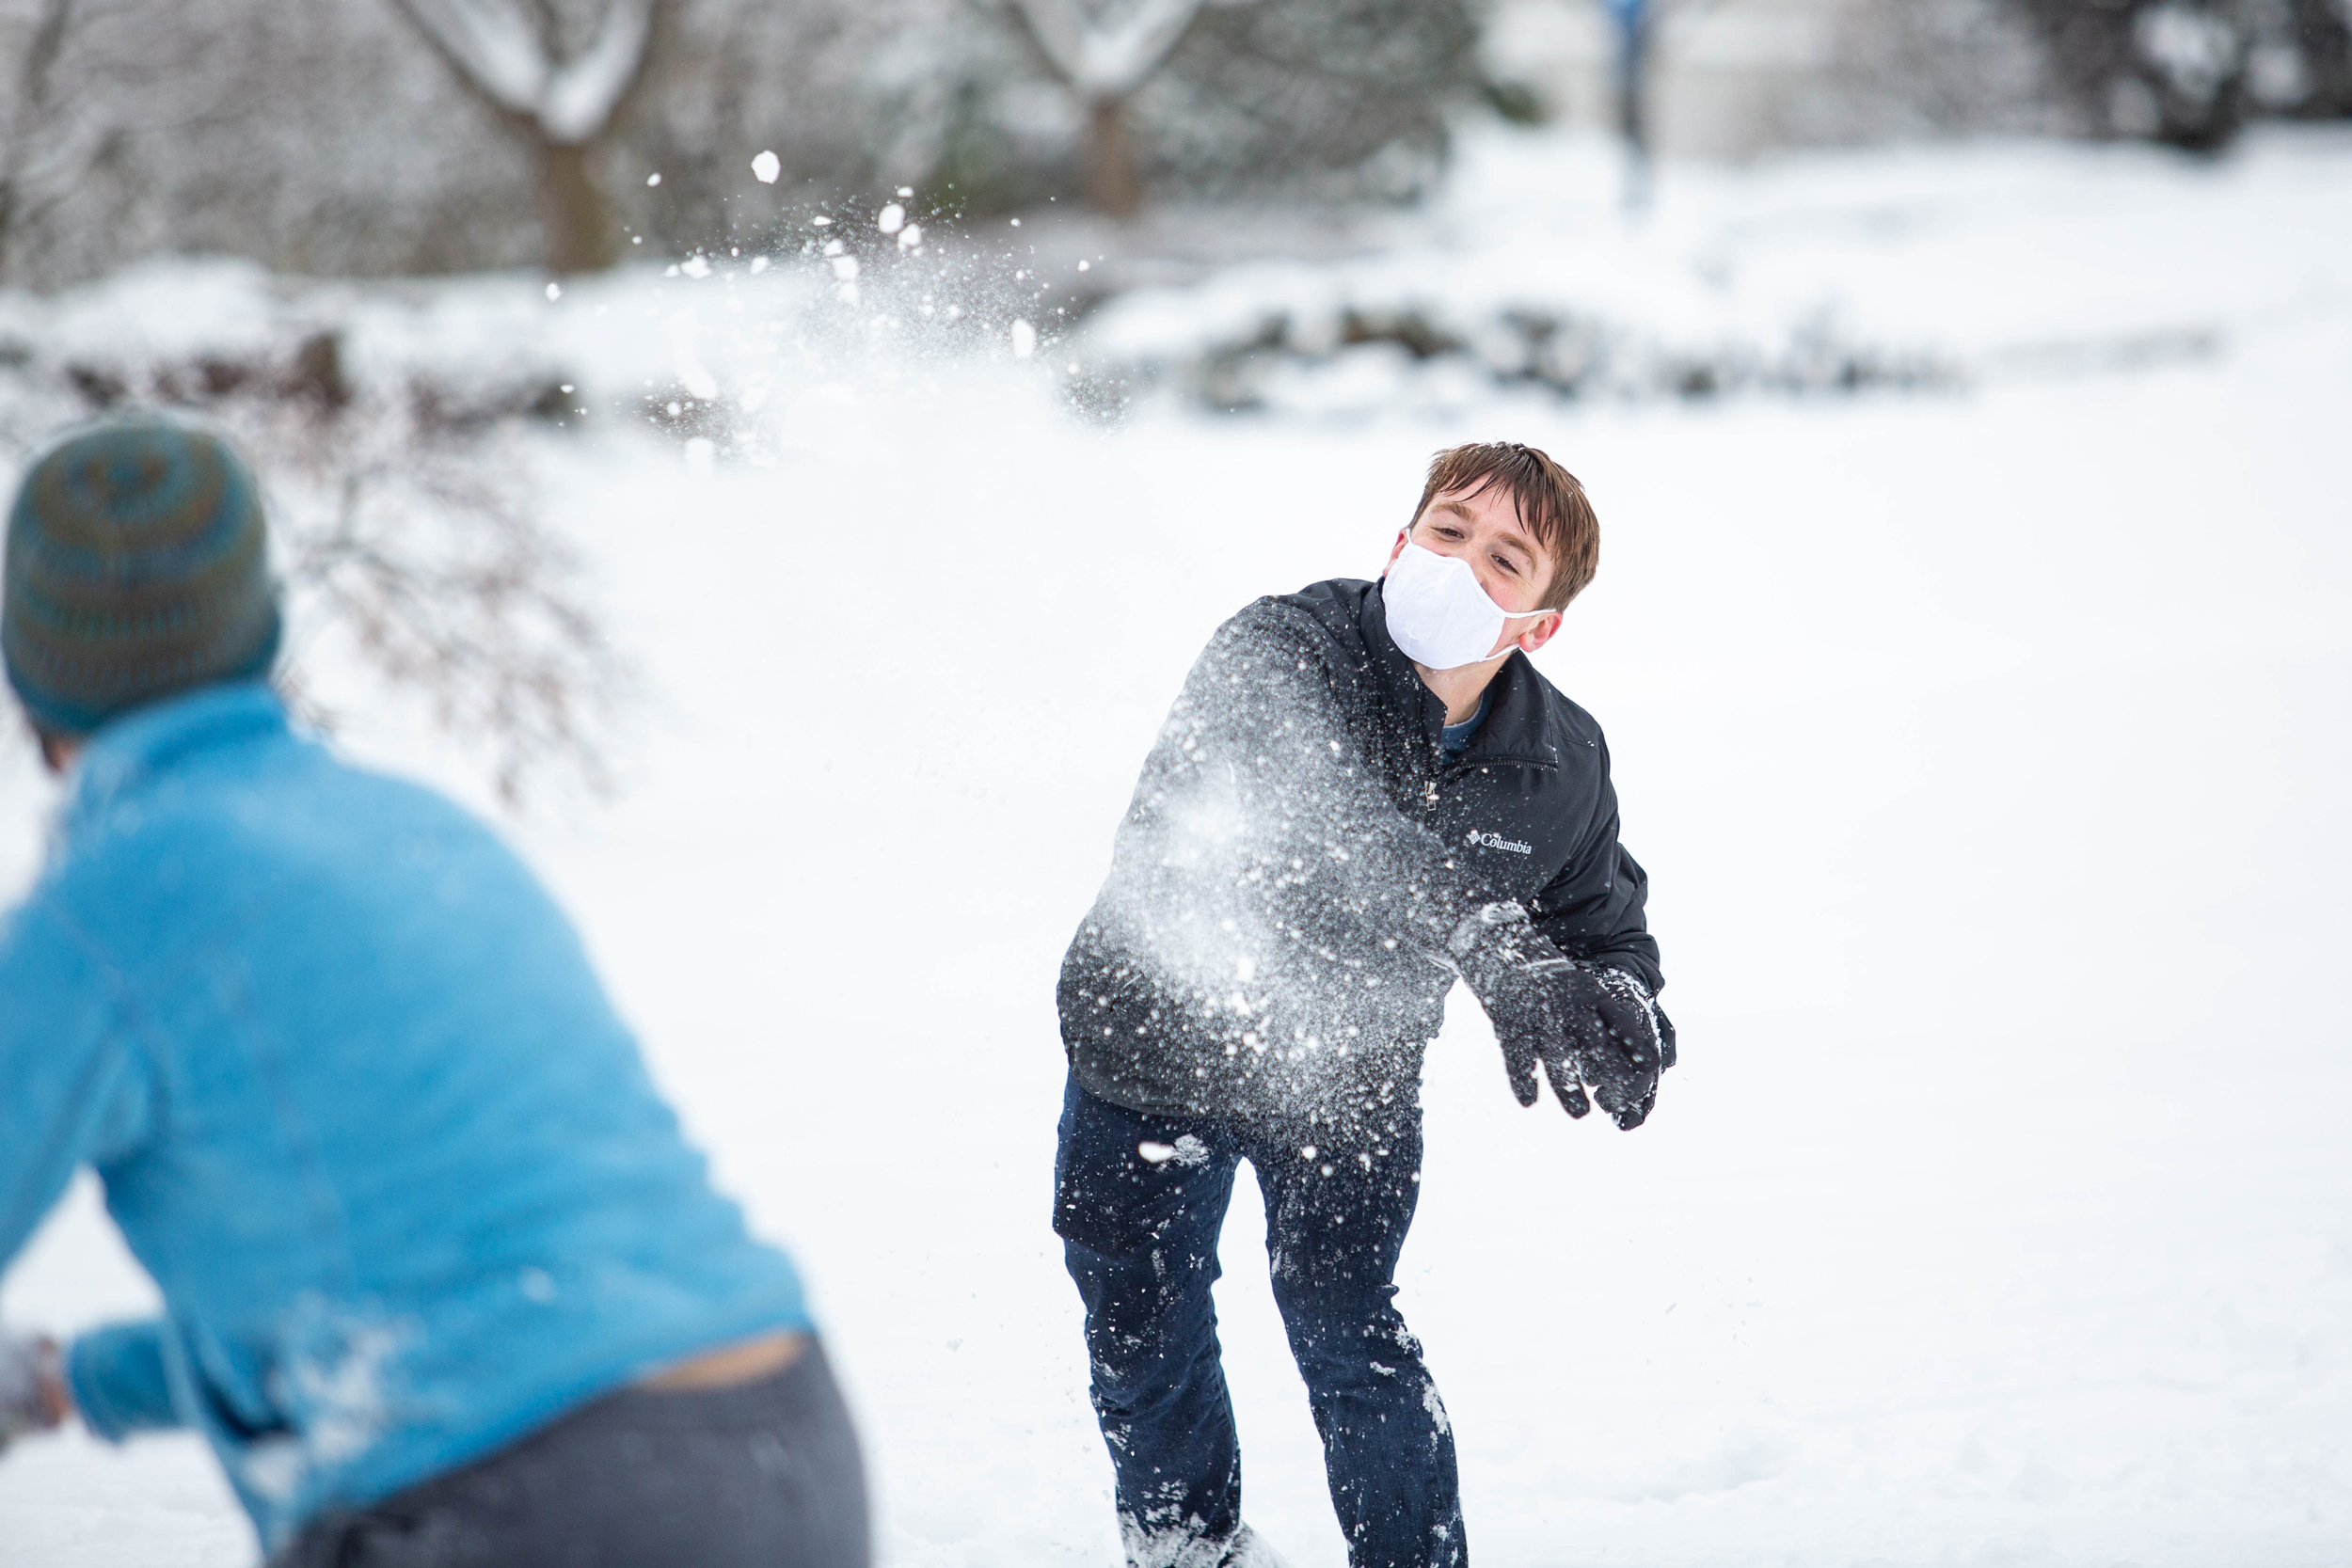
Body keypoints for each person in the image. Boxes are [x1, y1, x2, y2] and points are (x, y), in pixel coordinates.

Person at [0, 416, 868, 1567]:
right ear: (260, 629)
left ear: (32, 676)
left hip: (516, 1500)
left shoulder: (102, 915)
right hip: (779, 1441)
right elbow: (450, 1282)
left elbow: (476, 1348)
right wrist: (73, 1384)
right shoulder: (424, 835)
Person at [1053, 441, 1672, 1568]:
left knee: (1349, 1326)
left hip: (1348, 1072)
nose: (1460, 564)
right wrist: (1485, 937)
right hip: (1149, 1034)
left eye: (1504, 559)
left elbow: (1602, 916)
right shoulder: (1280, 646)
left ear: (1538, 623)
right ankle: (1191, 1552)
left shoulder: (1558, 760)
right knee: (1144, 1325)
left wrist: (1623, 997)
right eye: (1447, 530)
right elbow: (1319, 820)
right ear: (1400, 539)